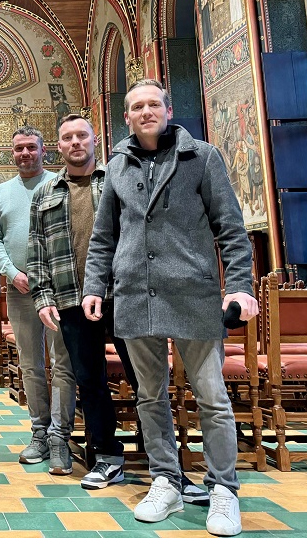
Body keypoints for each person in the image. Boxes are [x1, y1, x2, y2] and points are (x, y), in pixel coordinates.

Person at [82, 80, 258, 537]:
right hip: (136, 295)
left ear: (168, 109)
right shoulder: (117, 165)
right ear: (127, 116)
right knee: (149, 395)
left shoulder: (202, 157)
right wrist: (94, 286)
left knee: (212, 398)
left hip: (193, 294)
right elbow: (104, 237)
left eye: (153, 104)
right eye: (136, 106)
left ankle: (223, 490)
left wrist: (239, 286)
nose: (145, 112)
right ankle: (166, 479)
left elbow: (231, 229)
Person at [30, 114, 211, 502]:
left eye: (82, 135)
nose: (75, 143)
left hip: (128, 294)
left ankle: (166, 466)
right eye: (67, 138)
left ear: (96, 139)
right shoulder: (44, 193)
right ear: (57, 146)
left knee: (148, 382)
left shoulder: (118, 177)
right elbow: (37, 253)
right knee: (90, 381)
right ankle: (107, 456)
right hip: (71, 299)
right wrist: (42, 297)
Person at [0, 126, 76, 475]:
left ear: (44, 150)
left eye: (30, 147)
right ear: (12, 153)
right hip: (20, 289)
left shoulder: (61, 183)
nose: (25, 153)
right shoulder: (0, 192)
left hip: (60, 290)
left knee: (63, 364)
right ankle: (39, 433)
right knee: (30, 365)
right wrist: (11, 272)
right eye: (18, 148)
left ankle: (60, 437)